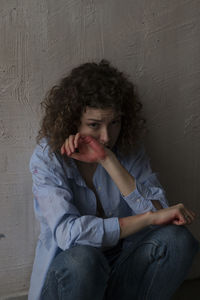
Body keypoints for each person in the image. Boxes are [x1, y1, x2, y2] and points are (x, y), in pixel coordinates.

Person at [28, 60, 199, 300]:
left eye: (115, 122)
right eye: (94, 125)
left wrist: (108, 161)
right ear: (71, 121)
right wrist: (148, 218)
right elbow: (69, 235)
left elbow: (164, 218)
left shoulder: (126, 149)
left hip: (121, 272)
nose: (107, 136)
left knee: (178, 240)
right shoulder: (47, 158)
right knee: (83, 258)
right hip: (72, 281)